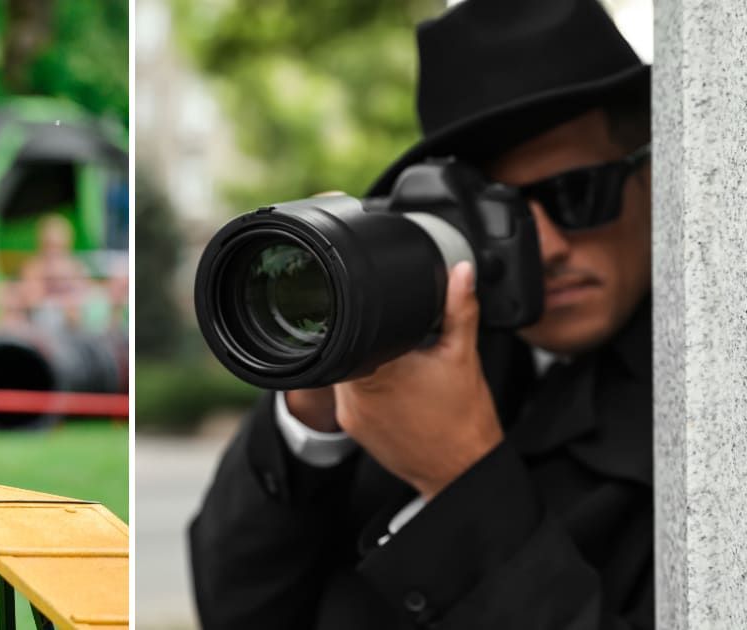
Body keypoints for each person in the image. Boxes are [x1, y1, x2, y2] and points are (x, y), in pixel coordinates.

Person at [189, 0, 654, 628]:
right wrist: (312, 419)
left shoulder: (700, 409)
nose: (544, 246)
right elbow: (235, 611)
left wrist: (461, 479)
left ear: (657, 178)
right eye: (500, 215)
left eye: (576, 194)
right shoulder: (408, 361)